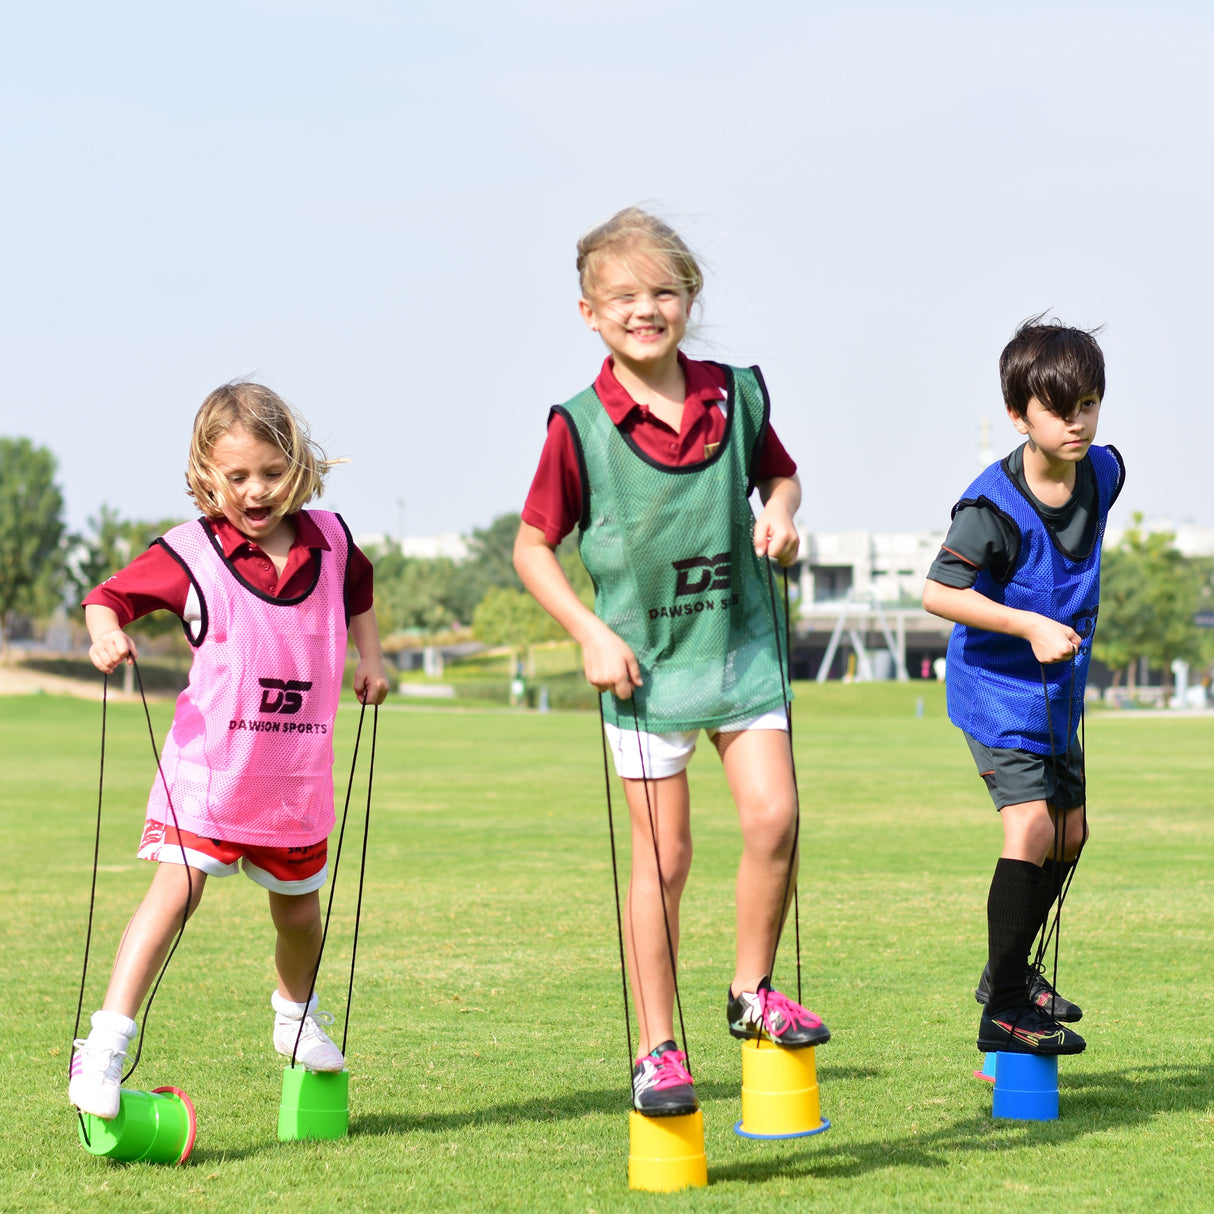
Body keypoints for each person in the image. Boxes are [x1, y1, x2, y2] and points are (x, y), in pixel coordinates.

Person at [513, 208, 829, 1118]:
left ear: (690, 298)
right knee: (665, 858)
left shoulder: (736, 395)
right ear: (589, 313)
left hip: (739, 650)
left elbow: (779, 475)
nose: (645, 309)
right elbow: (532, 549)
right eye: (623, 296)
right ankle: (657, 1048)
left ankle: (751, 992)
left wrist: (781, 513)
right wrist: (589, 632)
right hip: (643, 672)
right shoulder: (578, 428)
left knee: (775, 818)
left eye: (663, 291)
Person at [70, 382, 391, 1119]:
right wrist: (105, 635)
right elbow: (105, 599)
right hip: (209, 777)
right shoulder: (190, 552)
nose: (256, 490)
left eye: (272, 473)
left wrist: (371, 660)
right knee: (176, 895)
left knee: (300, 919)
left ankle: (295, 1017)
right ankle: (104, 1047)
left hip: (292, 782)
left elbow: (361, 594)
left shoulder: (332, 542)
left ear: (297, 466)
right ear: (206, 474)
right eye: (237, 476)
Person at [922, 318, 1124, 1056]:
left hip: (1056, 697)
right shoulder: (989, 510)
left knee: (1071, 834)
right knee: (1033, 827)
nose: (1078, 423)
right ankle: (1004, 1007)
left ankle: (1005, 975)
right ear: (1018, 416)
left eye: (1089, 405)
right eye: (1059, 410)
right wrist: (1029, 623)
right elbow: (938, 593)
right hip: (995, 693)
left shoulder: (1104, 472)